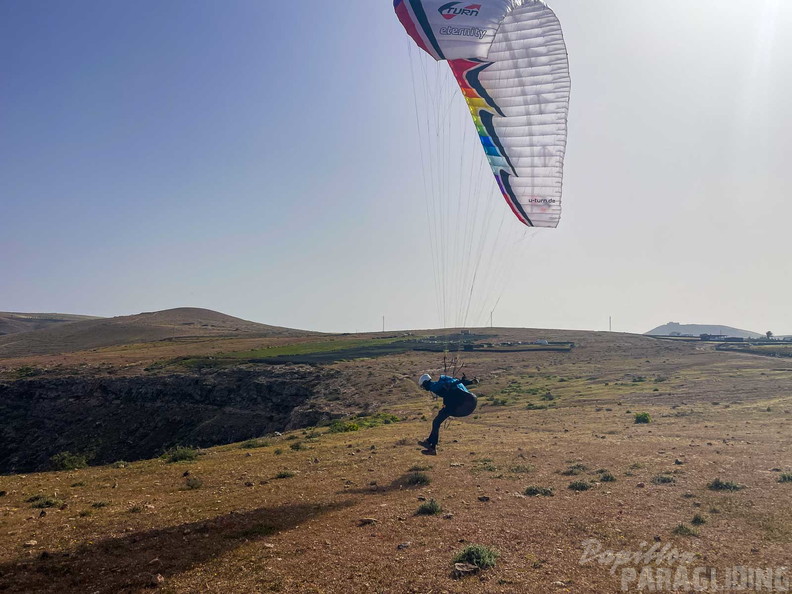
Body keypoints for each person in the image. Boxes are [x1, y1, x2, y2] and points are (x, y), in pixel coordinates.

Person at [417, 373, 478, 454]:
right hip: (470, 402)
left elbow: (448, 385)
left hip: (461, 403)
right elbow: (455, 384)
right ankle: (429, 441)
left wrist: (460, 382)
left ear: (425, 383)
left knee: (436, 422)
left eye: (423, 386)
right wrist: (470, 382)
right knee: (437, 421)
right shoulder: (444, 382)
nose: (424, 388)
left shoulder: (434, 386)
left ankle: (432, 448)